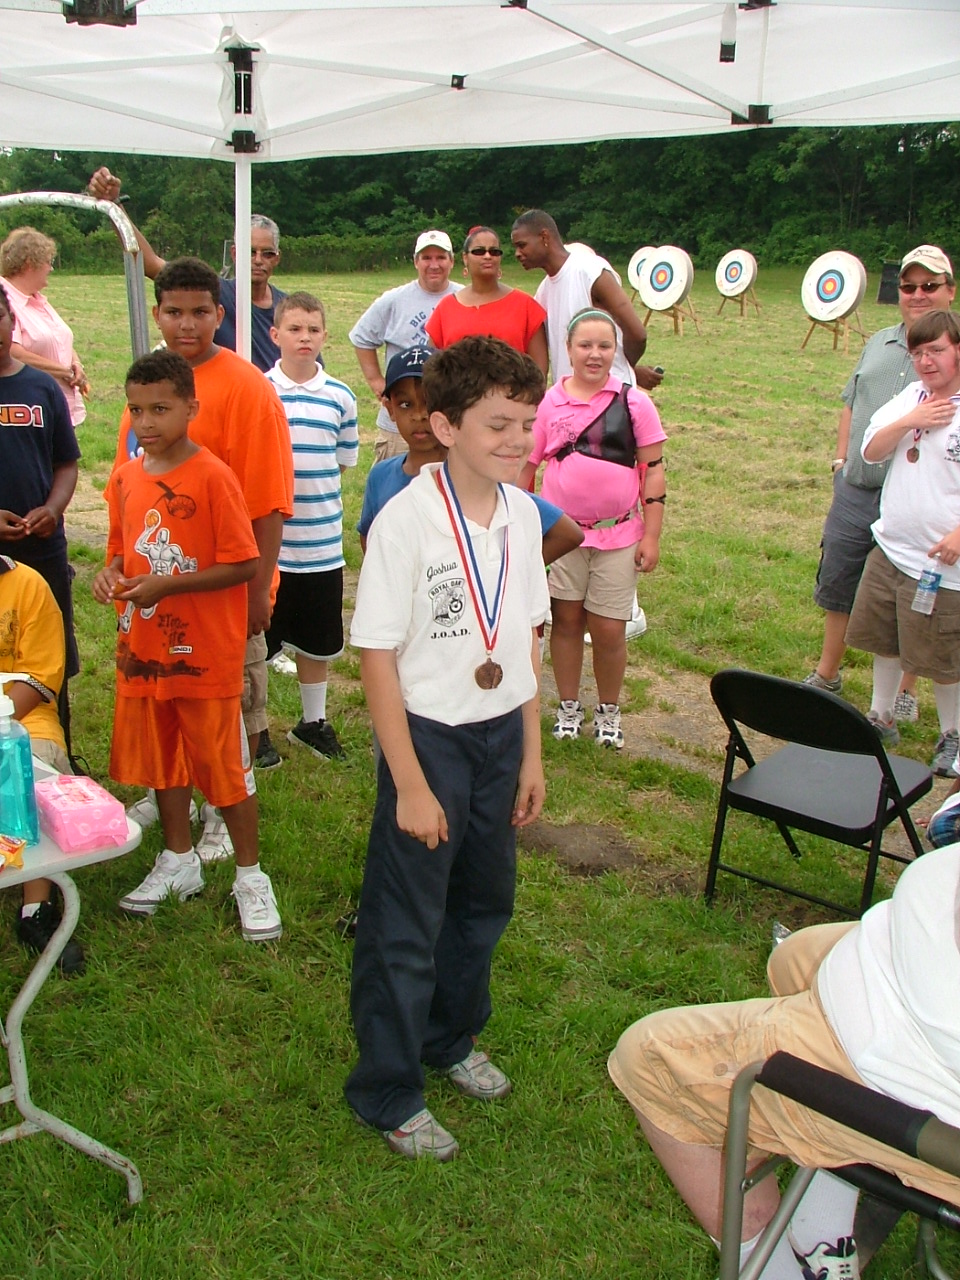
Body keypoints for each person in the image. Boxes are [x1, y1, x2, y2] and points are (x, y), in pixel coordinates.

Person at [344, 336, 549, 1161]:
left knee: (482, 902)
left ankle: (450, 1037)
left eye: (526, 424)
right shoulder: (406, 520)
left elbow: (524, 639)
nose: (517, 440)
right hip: (428, 741)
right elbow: (376, 657)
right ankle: (387, 1090)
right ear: (445, 425)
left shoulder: (524, 513)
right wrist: (410, 784)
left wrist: (531, 754)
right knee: (406, 920)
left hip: (500, 736)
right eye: (499, 424)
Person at [609, 842, 960, 1280]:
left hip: (914, 1070)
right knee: (794, 960)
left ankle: (777, 1271)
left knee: (650, 1061)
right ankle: (823, 1236)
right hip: (905, 995)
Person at [94, 351, 282, 941]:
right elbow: (120, 551)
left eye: (160, 409)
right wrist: (110, 575)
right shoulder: (126, 478)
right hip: (144, 651)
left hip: (205, 655)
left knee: (224, 767)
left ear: (190, 409)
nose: (146, 422)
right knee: (163, 760)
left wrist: (168, 585)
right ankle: (177, 858)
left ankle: (250, 876)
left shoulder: (213, 476)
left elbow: (242, 563)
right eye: (136, 410)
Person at [113, 258, 293, 862]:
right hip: (157, 596)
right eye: (173, 312)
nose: (185, 325)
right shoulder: (149, 387)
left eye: (199, 312)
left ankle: (222, 813)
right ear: (157, 313)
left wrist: (259, 591)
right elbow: (129, 482)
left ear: (221, 314)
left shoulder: (247, 388)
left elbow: (268, 501)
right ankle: (175, 793)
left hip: (222, 590)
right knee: (167, 697)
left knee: (224, 704)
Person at [805, 244, 956, 722]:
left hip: (919, 500)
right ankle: (827, 674)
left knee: (915, 595)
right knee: (840, 581)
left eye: (929, 285)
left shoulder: (954, 349)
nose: (917, 294)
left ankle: (904, 694)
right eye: (908, 286)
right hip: (859, 487)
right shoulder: (878, 342)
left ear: (950, 291)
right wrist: (841, 460)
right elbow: (852, 402)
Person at [520, 308, 666, 750]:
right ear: (568, 350)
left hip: (619, 536)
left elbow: (653, 471)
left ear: (616, 351)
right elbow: (527, 467)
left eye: (605, 345)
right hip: (563, 536)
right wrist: (520, 526)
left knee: (608, 629)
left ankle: (608, 710)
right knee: (565, 621)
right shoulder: (549, 403)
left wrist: (652, 535)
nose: (595, 354)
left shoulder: (635, 403)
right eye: (585, 345)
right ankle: (568, 706)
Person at [844, 309, 960, 776]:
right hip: (892, 548)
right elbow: (871, 451)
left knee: (944, 659)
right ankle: (881, 716)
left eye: (936, 351)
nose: (926, 362)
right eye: (918, 353)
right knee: (885, 639)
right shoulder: (911, 397)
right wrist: (912, 418)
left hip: (943, 565)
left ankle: (952, 735)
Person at [263, 291, 358, 760]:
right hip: (268, 548)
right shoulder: (259, 390)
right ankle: (256, 728)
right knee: (258, 644)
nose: (304, 337)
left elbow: (340, 463)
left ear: (325, 337)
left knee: (317, 644)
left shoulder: (341, 396)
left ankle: (312, 722)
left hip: (320, 545)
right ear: (274, 334)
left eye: (313, 329)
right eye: (295, 328)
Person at [86, 167, 287, 373]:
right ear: (234, 253)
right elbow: (149, 263)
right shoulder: (212, 292)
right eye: (250, 252)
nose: (258, 260)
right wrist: (114, 206)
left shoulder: (287, 308)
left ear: (277, 258)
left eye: (267, 253)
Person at [0, 281, 81, 760]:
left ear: (12, 321)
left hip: (41, 545)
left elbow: (66, 462)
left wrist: (53, 508)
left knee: (52, 654)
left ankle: (58, 748)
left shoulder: (41, 387)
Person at [0, 555, 84, 975]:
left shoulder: (29, 586)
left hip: (22, 719)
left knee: (28, 773)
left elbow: (37, 681)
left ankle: (35, 908)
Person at [509, 209, 662, 392]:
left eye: (522, 245)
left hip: (609, 398)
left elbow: (637, 334)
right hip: (570, 399)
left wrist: (623, 368)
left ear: (544, 237)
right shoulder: (544, 291)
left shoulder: (590, 271)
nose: (517, 253)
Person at [348, 229, 461, 462]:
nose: (434, 265)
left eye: (440, 257)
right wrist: (376, 381)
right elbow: (361, 337)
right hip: (400, 424)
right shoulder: (394, 300)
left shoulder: (464, 298)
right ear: (415, 262)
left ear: (452, 261)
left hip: (451, 419)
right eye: (426, 258)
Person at [426, 226, 548, 372]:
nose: (488, 256)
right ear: (465, 258)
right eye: (479, 251)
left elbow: (539, 371)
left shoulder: (526, 307)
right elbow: (431, 368)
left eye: (494, 251)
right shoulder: (446, 308)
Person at [0, 227, 87, 428]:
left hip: (57, 405)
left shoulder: (37, 299)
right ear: (30, 264)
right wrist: (64, 371)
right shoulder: (5, 301)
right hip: (29, 409)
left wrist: (76, 364)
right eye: (48, 262)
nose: (51, 268)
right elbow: (13, 351)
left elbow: (61, 337)